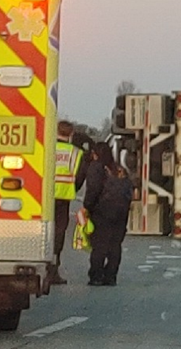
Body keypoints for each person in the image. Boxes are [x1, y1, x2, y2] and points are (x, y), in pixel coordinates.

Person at [83, 141, 133, 286]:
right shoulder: (119, 168)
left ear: (96, 154)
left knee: (100, 244)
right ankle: (111, 276)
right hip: (121, 211)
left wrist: (87, 206)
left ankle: (96, 276)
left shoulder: (97, 167)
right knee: (115, 245)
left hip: (103, 210)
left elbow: (93, 189)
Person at [50, 120, 85, 285]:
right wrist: (72, 188)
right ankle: (53, 270)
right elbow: (80, 176)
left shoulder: (47, 148)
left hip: (45, 197)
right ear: (71, 134)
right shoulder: (76, 153)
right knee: (58, 233)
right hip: (63, 197)